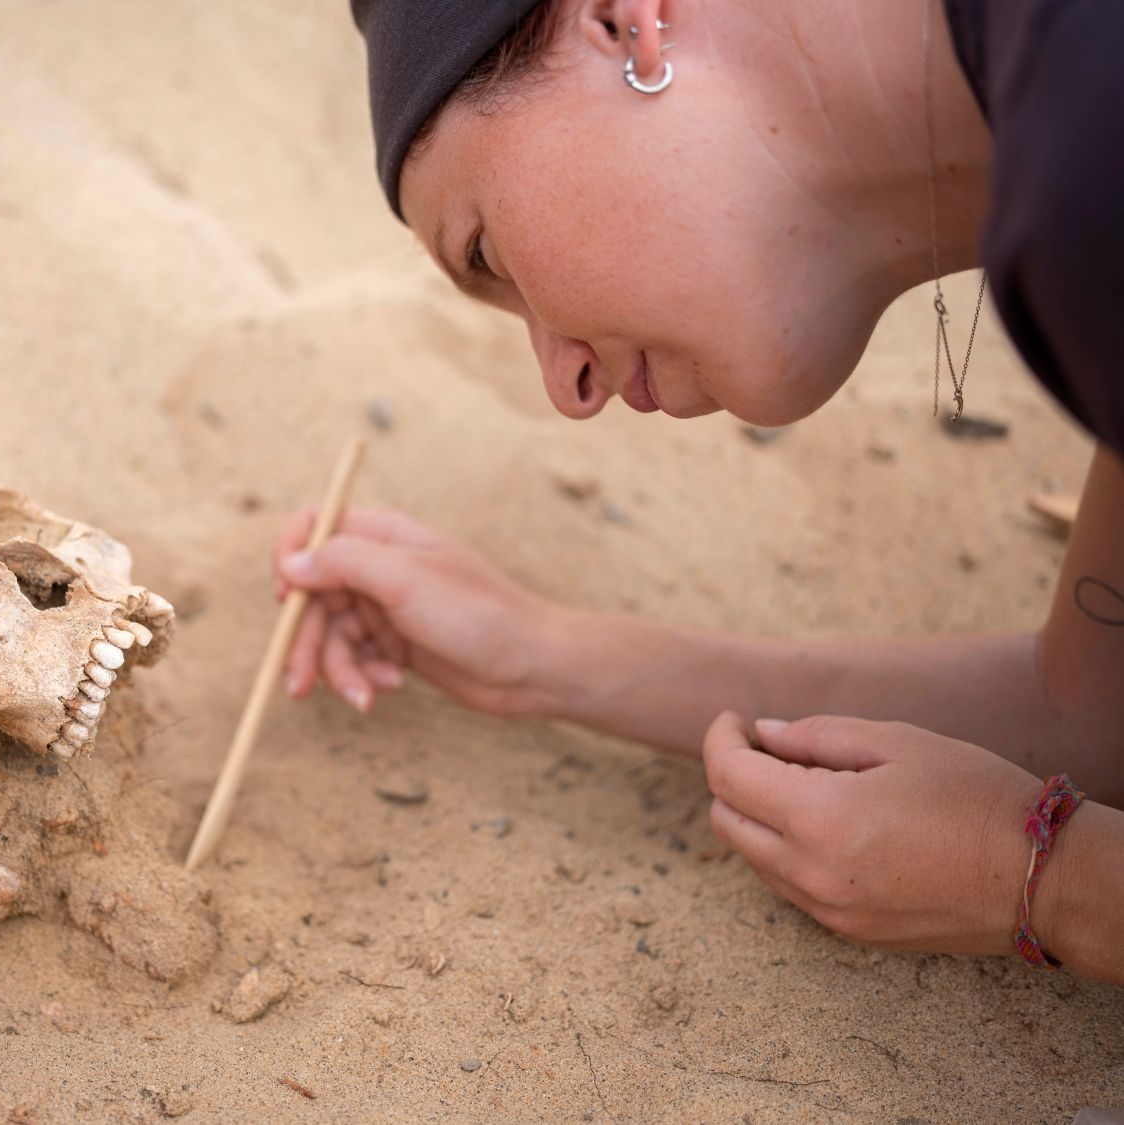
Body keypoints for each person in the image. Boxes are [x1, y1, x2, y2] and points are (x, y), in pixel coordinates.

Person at [274, 0, 1124, 985]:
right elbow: (1090, 716)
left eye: (484, 252)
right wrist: (534, 655)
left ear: (622, 22)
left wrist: (1046, 882)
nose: (565, 387)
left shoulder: (1089, 166)